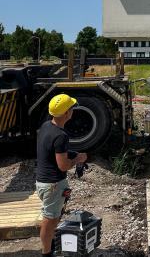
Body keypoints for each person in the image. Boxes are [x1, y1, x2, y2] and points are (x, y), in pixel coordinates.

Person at [36, 94, 87, 257]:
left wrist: (71, 153)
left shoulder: (46, 126)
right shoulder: (61, 135)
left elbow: (50, 151)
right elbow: (63, 165)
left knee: (53, 217)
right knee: (49, 220)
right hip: (53, 184)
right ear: (66, 113)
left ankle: (50, 246)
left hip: (44, 181)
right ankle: (46, 253)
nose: (72, 110)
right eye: (71, 108)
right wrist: (77, 159)